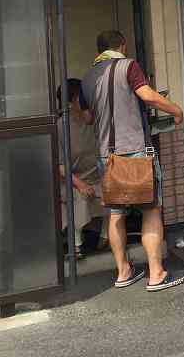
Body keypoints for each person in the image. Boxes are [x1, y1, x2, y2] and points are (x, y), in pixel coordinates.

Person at [81, 30, 184, 291]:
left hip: (109, 156)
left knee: (115, 214)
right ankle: (156, 274)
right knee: (151, 210)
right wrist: (176, 109)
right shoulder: (128, 66)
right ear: (123, 45)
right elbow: (148, 95)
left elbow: (87, 118)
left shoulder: (88, 77)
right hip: (136, 152)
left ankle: (123, 272)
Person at [59, 79, 105, 259]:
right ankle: (76, 245)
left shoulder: (91, 121)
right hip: (72, 180)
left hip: (95, 175)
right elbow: (60, 166)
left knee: (114, 194)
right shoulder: (61, 127)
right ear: (70, 102)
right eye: (81, 97)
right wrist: (79, 184)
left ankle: (105, 238)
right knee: (79, 197)